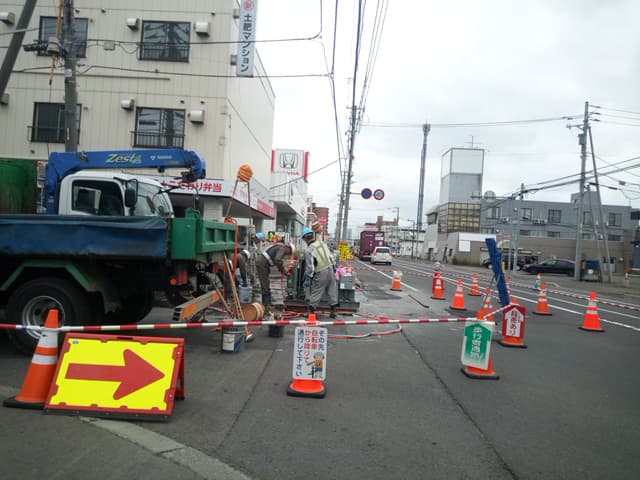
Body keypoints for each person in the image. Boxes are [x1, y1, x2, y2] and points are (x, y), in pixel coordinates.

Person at [302, 227, 338, 318]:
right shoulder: (322, 243)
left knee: (316, 291)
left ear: (305, 239)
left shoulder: (309, 250)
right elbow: (331, 257)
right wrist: (334, 269)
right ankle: (333, 312)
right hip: (331, 269)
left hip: (321, 272)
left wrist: (308, 277)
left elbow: (310, 267)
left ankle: (311, 312)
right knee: (332, 290)